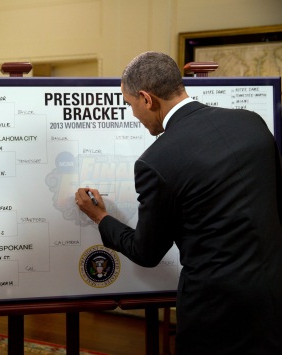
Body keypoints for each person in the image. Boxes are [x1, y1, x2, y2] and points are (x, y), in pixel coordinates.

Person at [76, 52, 282, 354]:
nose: (133, 114)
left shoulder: (156, 160)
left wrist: (101, 218)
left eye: (130, 104)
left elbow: (146, 252)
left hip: (214, 311)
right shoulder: (251, 122)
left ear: (147, 99)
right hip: (273, 294)